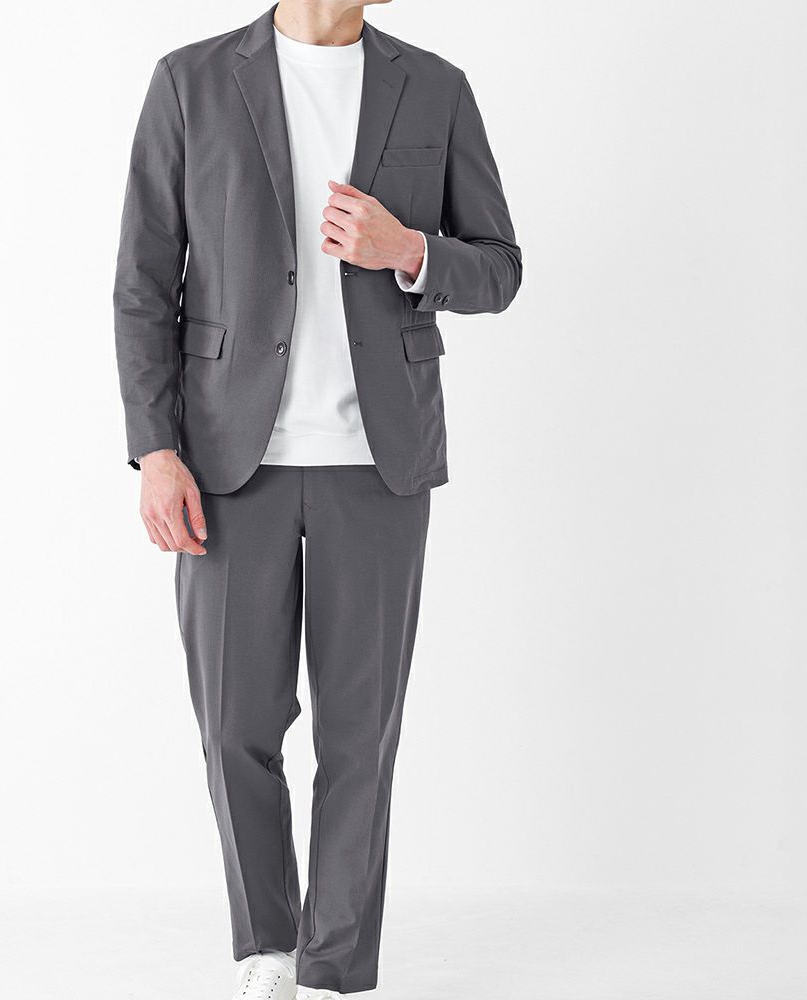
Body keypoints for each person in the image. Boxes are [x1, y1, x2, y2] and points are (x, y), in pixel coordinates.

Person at [114, 1, 521, 996]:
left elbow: (500, 269)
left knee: (359, 736)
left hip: (379, 461)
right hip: (226, 461)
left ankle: (334, 969)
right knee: (234, 726)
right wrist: (156, 449)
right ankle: (267, 944)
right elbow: (143, 283)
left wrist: (409, 249)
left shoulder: (436, 86)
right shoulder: (190, 82)